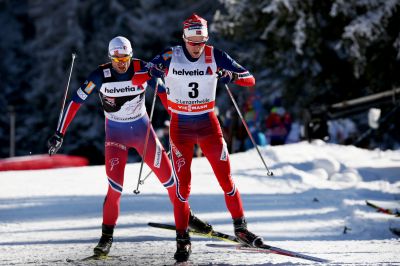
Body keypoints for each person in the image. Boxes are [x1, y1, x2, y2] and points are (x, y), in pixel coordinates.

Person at [47, 36, 213, 257]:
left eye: (125, 58)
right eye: (117, 59)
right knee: (114, 189)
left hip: (143, 134)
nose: (121, 63)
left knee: (172, 182)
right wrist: (59, 133)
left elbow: (163, 93)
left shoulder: (142, 68)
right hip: (116, 137)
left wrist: (178, 119)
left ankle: (187, 218)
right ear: (110, 57)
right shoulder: (101, 75)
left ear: (131, 55)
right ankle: (106, 238)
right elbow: (75, 102)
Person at [132, 14, 264, 263]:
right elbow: (138, 79)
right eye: (193, 41)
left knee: (225, 178)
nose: (197, 46)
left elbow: (250, 78)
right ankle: (183, 240)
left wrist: (232, 76)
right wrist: (152, 71)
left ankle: (241, 228)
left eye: (201, 41)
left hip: (208, 125)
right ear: (184, 38)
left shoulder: (215, 55)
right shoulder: (170, 56)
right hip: (180, 127)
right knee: (183, 187)